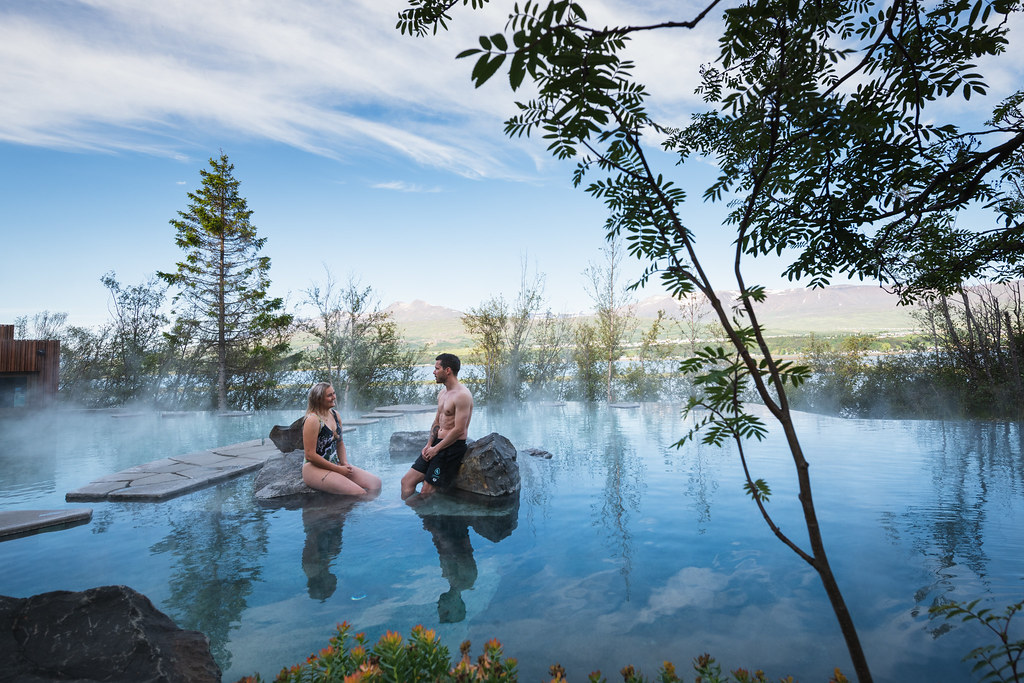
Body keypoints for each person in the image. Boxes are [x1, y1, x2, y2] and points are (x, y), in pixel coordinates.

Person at [401, 353, 474, 499]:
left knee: (426, 492)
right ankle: (414, 517)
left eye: (437, 368)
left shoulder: (462, 395)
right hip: (436, 445)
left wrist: (436, 449)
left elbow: (459, 429)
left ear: (448, 370)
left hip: (451, 448)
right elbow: (437, 422)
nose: (434, 372)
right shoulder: (443, 393)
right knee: (406, 482)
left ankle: (429, 520)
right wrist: (429, 445)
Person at [302, 382, 381, 496]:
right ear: (319, 399)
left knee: (375, 484)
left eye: (333, 393)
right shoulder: (313, 420)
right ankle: (344, 512)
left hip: (335, 464)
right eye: (329, 395)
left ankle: (368, 510)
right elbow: (310, 455)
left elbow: (340, 443)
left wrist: (344, 464)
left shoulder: (335, 415)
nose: (334, 397)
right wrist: (338, 470)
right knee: (359, 492)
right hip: (313, 468)